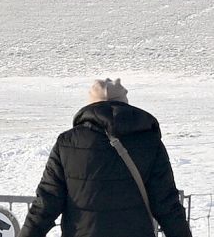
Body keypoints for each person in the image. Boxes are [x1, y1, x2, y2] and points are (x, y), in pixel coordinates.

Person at [19, 78, 192, 237]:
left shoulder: (67, 143)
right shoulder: (150, 142)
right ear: (125, 104)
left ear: (91, 105)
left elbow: (46, 202)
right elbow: (168, 206)